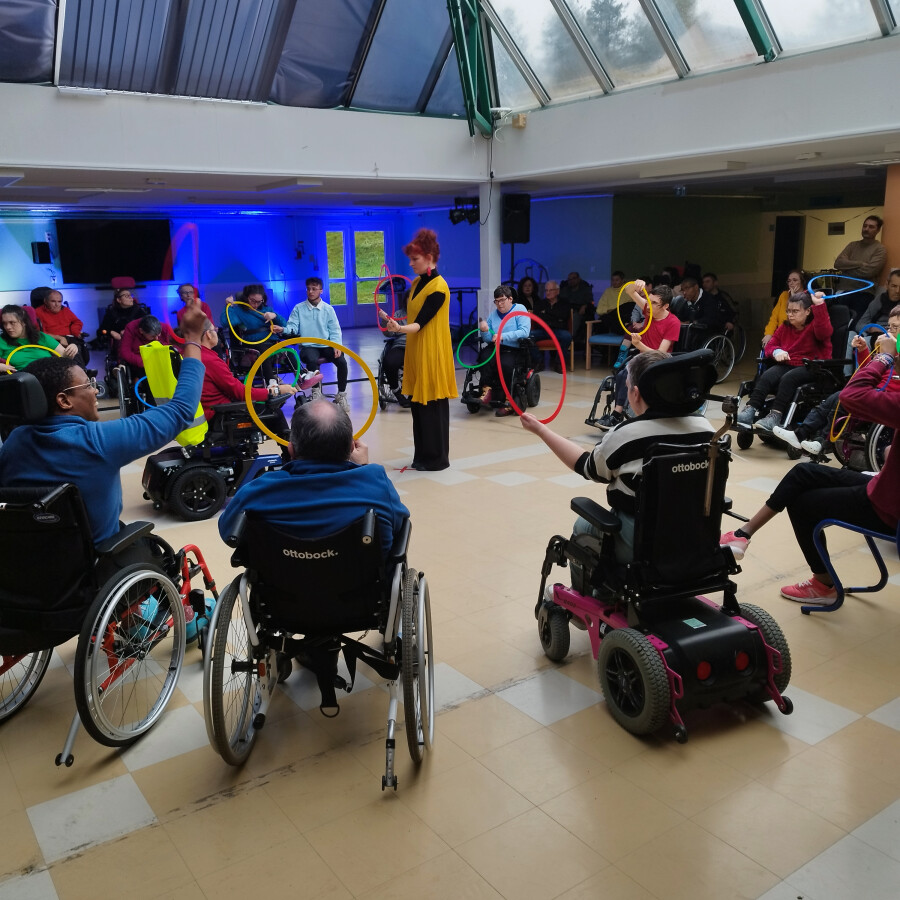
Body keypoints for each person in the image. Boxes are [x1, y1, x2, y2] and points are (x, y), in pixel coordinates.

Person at [0, 305, 209, 545]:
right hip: (96, 558)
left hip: (30, 558)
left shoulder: (14, 442)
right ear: (64, 401)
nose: (95, 391)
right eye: (88, 385)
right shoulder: (98, 441)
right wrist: (193, 339)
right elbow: (181, 410)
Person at [720, 329, 899, 604]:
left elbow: (852, 396)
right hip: (885, 485)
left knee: (803, 504)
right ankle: (743, 534)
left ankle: (824, 584)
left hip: (888, 506)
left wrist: (884, 358)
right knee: (804, 472)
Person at [521, 350, 714, 563]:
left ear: (635, 394)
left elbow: (587, 466)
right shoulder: (708, 430)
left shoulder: (628, 434)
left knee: (582, 527)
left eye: (627, 386)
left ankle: (594, 584)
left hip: (643, 542)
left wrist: (541, 430)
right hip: (698, 535)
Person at [218, 399, 409, 561]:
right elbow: (397, 526)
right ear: (352, 448)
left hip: (278, 590)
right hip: (364, 589)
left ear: (291, 449)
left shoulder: (257, 491)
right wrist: (362, 469)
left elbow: (228, 532)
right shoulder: (376, 483)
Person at [772, 306, 900, 454]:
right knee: (830, 402)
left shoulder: (892, 350)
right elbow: (868, 371)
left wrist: (890, 352)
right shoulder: (888, 349)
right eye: (889, 327)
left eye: (895, 327)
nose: (889, 332)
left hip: (886, 399)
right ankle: (799, 434)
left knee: (841, 402)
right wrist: (863, 350)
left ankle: (822, 441)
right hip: (873, 392)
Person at [381, 228, 457, 470]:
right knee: (418, 406)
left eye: (415, 259)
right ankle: (422, 456)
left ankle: (437, 459)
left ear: (430, 257)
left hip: (432, 351)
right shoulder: (416, 283)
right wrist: (394, 321)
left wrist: (399, 328)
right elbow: (412, 317)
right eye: (411, 259)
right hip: (416, 350)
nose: (411, 263)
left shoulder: (439, 287)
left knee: (432, 405)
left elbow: (421, 323)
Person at [737, 291, 832, 433]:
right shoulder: (785, 326)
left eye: (795, 311)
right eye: (788, 311)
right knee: (767, 376)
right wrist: (777, 352)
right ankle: (750, 410)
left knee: (789, 378)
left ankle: (775, 416)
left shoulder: (815, 325)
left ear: (807, 311)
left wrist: (819, 306)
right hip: (789, 363)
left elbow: (824, 332)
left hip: (813, 367)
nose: (790, 315)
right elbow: (770, 345)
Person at [598, 281, 681, 429]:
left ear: (665, 306)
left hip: (660, 361)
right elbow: (629, 291)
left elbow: (660, 353)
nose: (648, 305)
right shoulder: (648, 309)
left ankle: (616, 415)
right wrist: (636, 284)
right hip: (642, 357)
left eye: (654, 303)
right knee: (621, 374)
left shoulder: (673, 322)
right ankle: (618, 412)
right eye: (649, 300)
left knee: (628, 374)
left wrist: (639, 345)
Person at [283, 277, 350, 413]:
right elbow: (292, 327)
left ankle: (341, 395)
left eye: (314, 289)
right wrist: (283, 330)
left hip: (326, 345)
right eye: (308, 289)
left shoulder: (328, 309)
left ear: (321, 290)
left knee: (342, 362)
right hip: (308, 346)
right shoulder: (299, 308)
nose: (310, 291)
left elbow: (335, 330)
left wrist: (337, 345)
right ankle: (316, 393)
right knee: (311, 359)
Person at [472, 285, 531, 416]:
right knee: (484, 357)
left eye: (502, 300)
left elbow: (524, 331)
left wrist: (503, 336)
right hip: (496, 347)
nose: (499, 304)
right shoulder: (493, 315)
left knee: (505, 364)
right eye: (497, 301)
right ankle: (487, 390)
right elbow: (488, 339)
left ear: (510, 299)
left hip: (514, 348)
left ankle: (509, 399)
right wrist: (484, 331)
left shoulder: (520, 309)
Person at [224, 284, 286, 385]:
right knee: (264, 352)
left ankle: (302, 376)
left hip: (271, 340)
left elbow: (284, 324)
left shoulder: (267, 309)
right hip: (253, 342)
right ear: (246, 297)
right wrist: (229, 307)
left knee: (287, 351)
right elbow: (226, 322)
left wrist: (275, 316)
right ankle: (272, 382)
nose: (256, 304)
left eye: (259, 301)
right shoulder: (239, 311)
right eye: (253, 300)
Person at [0, 304, 78, 369]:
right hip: (24, 378)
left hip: (51, 373)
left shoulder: (41, 337)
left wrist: (72, 349)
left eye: (12, 323)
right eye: (4, 323)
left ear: (24, 322)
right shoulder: (2, 341)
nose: (7, 327)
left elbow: (65, 357)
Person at [34, 290, 86, 360]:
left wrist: (75, 331)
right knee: (69, 354)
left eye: (59, 301)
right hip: (52, 340)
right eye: (53, 301)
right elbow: (40, 334)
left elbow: (77, 322)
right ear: (45, 301)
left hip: (70, 338)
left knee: (76, 350)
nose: (57, 304)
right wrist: (60, 338)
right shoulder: (38, 312)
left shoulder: (65, 310)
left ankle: (79, 366)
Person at [531, 280, 570, 373]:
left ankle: (558, 363)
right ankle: (539, 361)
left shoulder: (564, 303)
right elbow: (537, 318)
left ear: (557, 291)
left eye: (551, 290)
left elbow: (564, 316)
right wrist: (555, 318)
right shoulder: (540, 303)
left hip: (558, 330)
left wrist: (546, 313)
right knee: (528, 336)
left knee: (567, 336)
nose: (548, 293)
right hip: (542, 330)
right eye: (546, 290)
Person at [98, 287, 151, 357]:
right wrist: (111, 332)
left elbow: (148, 326)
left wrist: (129, 331)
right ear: (119, 300)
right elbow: (102, 331)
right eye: (126, 296)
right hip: (120, 345)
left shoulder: (139, 311)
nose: (131, 298)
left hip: (138, 342)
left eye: (131, 295)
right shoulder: (111, 313)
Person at [763, 270, 805, 347]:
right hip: (781, 336)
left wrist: (793, 298)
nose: (791, 283)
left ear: (802, 282)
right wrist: (769, 333)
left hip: (798, 338)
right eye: (789, 281)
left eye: (795, 280)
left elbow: (797, 321)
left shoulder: (807, 297)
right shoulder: (784, 295)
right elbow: (774, 317)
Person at [856, 269, 900, 340]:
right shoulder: (879, 300)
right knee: (851, 335)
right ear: (887, 285)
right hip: (872, 334)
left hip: (892, 338)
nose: (897, 291)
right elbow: (859, 325)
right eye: (894, 286)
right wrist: (871, 328)